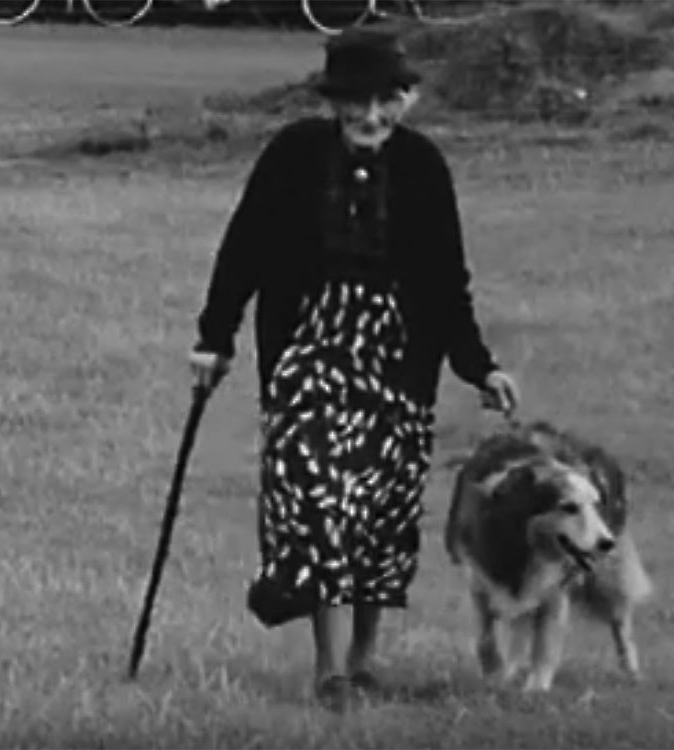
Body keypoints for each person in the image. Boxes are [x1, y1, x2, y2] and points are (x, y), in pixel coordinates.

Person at [188, 25, 519, 711]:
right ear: (333, 101)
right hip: (310, 350)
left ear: (407, 99)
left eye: (388, 101)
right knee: (319, 500)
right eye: (358, 103)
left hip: (398, 360)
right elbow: (243, 248)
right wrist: (214, 337)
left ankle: (362, 664)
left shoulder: (424, 166)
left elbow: (445, 279)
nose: (372, 117)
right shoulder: (292, 156)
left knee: (377, 510)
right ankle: (330, 671)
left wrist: (477, 366)